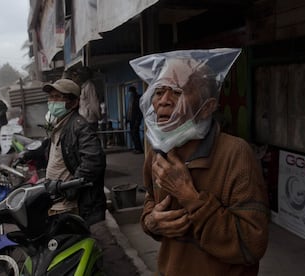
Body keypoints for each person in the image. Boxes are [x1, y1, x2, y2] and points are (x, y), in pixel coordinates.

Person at [129, 49, 269, 275]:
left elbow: (252, 245)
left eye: (177, 91)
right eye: (159, 91)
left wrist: (188, 196)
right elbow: (149, 200)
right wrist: (150, 222)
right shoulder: (158, 152)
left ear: (207, 107)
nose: (163, 101)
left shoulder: (236, 154)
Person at [26, 78, 107, 226]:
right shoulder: (59, 124)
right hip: (57, 201)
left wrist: (70, 188)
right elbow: (56, 152)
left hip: (72, 205)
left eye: (57, 97)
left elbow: (94, 161)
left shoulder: (80, 127)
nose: (52, 101)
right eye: (50, 97)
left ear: (74, 102)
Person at [72, 66, 101, 131]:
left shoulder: (89, 86)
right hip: (84, 120)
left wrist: (99, 117)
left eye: (78, 76)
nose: (77, 78)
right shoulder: (83, 87)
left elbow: (94, 103)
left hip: (89, 121)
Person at [127, 86, 143, 154]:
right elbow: (130, 110)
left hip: (136, 119)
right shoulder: (131, 99)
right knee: (133, 134)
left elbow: (139, 111)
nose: (130, 93)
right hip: (131, 119)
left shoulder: (138, 98)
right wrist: (127, 119)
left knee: (135, 134)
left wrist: (138, 121)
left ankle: (139, 149)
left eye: (130, 92)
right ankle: (136, 147)